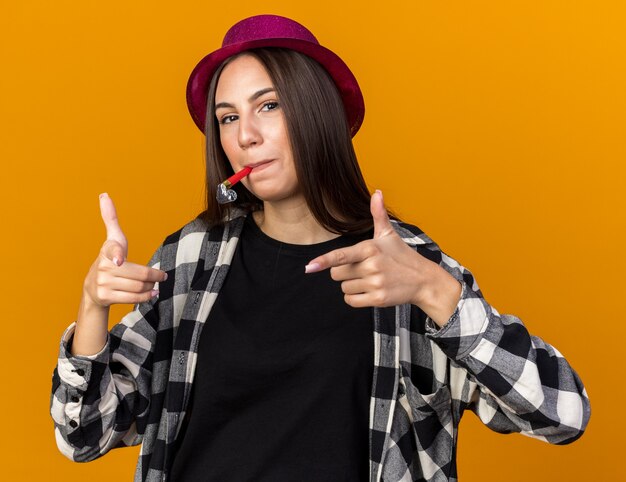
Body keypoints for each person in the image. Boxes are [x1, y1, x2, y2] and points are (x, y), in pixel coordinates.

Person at [50, 14, 590, 482]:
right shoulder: (191, 257)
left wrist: (434, 289)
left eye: (269, 106)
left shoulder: (402, 264)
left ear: (315, 113)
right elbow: (84, 436)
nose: (245, 136)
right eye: (229, 117)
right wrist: (93, 306)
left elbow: (563, 413)